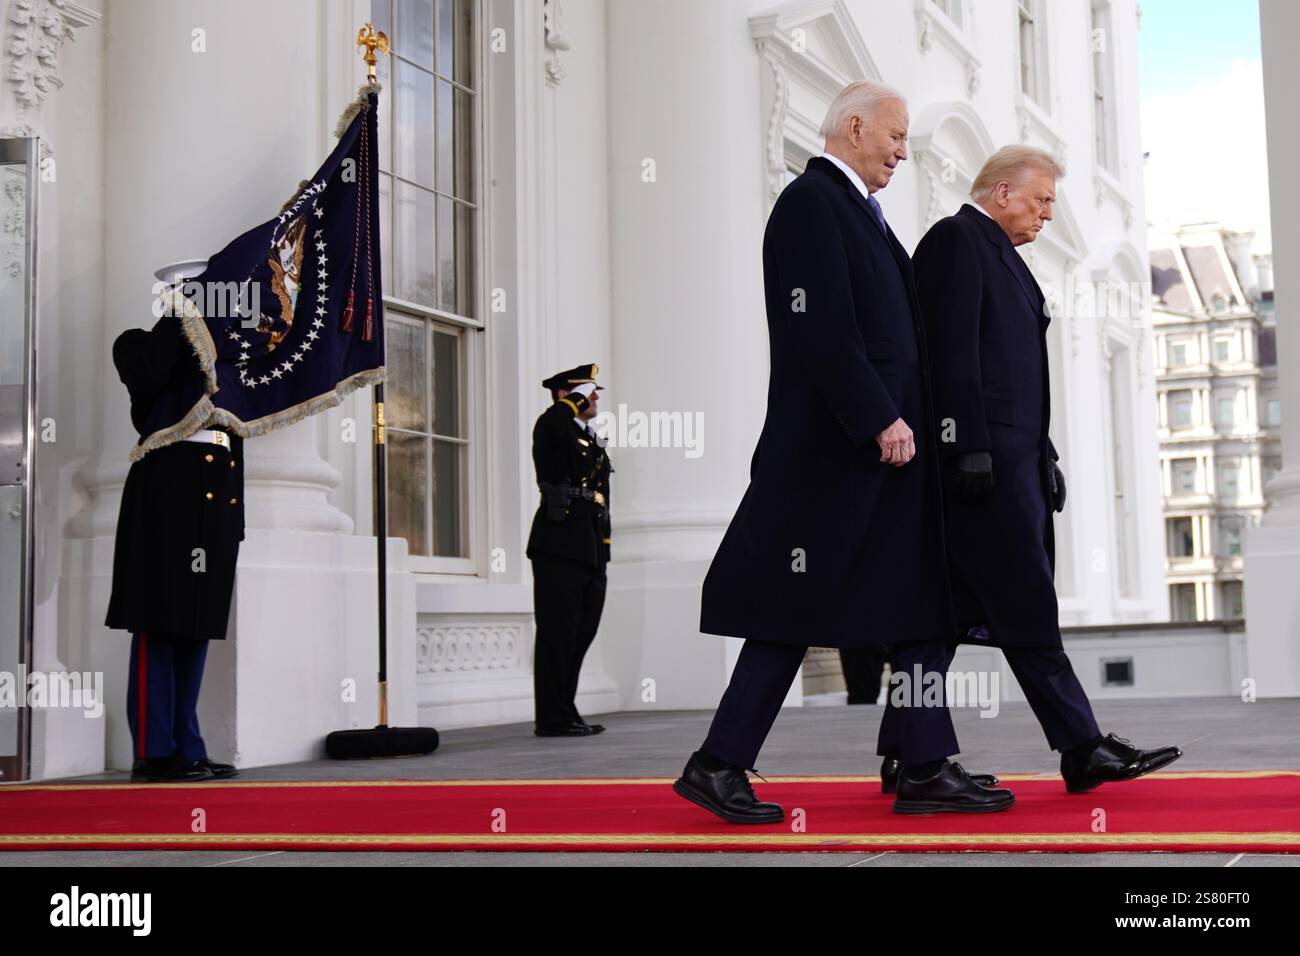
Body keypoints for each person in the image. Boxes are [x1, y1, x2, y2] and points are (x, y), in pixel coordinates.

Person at [673, 81, 1013, 822]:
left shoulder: (860, 212)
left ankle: (923, 764)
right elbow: (819, 329)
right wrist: (877, 418)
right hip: (840, 456)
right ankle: (719, 762)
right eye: (893, 136)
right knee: (793, 610)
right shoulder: (810, 204)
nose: (901, 150)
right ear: (854, 127)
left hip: (887, 460)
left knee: (921, 604)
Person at [895, 144, 1182, 794]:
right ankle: (1081, 746)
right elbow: (948, 349)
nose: (1049, 214)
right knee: (1024, 602)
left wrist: (1044, 453)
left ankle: (911, 757)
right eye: (1042, 199)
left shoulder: (1000, 256)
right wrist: (964, 442)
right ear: (1001, 193)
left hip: (1007, 464)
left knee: (933, 619)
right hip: (980, 473)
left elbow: (1013, 375)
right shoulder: (956, 240)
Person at [105, 313, 241, 783]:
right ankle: (154, 751)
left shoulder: (222, 359)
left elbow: (231, 438)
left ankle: (188, 746)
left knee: (195, 628)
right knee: (159, 625)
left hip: (213, 505)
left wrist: (234, 524)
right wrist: (182, 319)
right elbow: (152, 374)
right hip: (167, 498)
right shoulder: (139, 343)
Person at [526, 363, 613, 738]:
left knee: (581, 633)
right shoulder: (552, 428)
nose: (594, 397)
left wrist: (604, 548)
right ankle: (551, 716)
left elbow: (602, 498)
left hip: (589, 546)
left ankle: (566, 709)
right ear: (566, 395)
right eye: (586, 391)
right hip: (558, 544)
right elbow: (553, 424)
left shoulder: (590, 439)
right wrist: (572, 402)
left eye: (593, 391)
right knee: (557, 633)